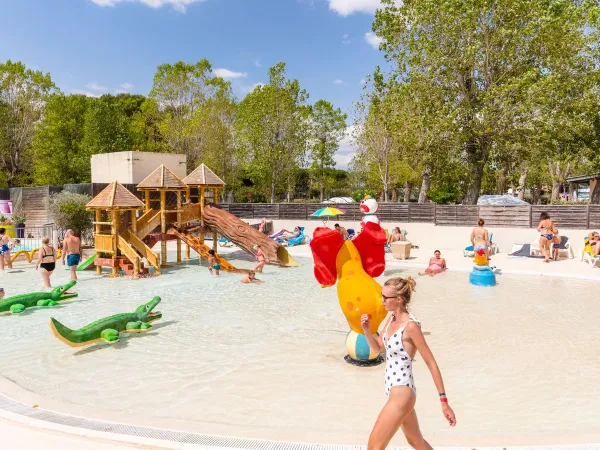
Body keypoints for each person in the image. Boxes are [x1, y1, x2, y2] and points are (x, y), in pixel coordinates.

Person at [361, 277, 456, 450]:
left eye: (385, 297)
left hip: (402, 392)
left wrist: (443, 401)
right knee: (416, 442)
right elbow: (376, 348)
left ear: (399, 299)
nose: (381, 300)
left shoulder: (410, 327)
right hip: (394, 390)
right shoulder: (390, 320)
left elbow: (431, 362)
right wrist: (367, 331)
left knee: (374, 447)